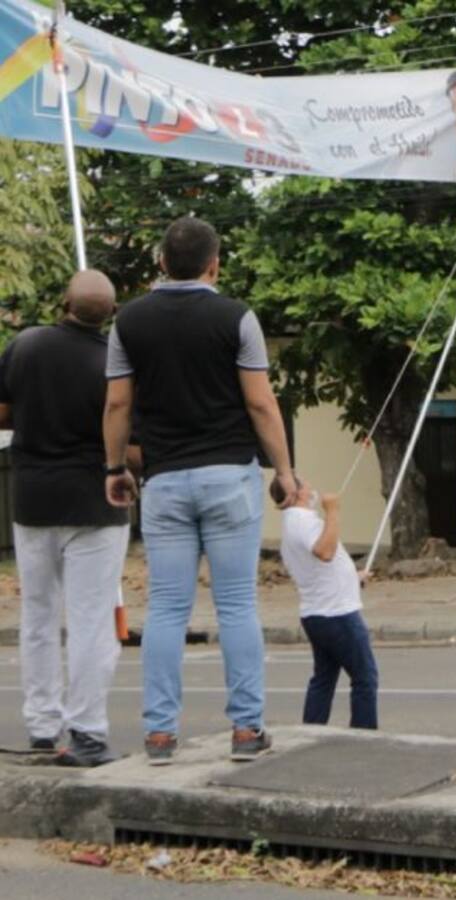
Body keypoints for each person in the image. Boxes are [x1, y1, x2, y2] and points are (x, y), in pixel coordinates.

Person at [103, 216, 297, 766]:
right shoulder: (237, 318)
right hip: (231, 477)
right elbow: (261, 403)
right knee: (236, 605)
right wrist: (283, 470)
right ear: (215, 264)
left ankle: (161, 735)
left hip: (164, 480)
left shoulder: (129, 323)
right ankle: (246, 730)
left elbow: (117, 405)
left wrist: (115, 467)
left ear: (161, 263)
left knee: (166, 608)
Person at [0, 271, 129, 766]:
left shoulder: (25, 346)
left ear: (63, 304)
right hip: (96, 502)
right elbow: (124, 428)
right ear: (110, 314)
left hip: (33, 499)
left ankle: (42, 725)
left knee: (37, 616)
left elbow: (3, 409)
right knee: (91, 622)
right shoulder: (112, 362)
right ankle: (88, 731)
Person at [273, 480, 378, 730]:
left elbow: (318, 565)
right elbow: (325, 552)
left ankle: (311, 731)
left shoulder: (292, 522)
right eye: (305, 485)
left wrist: (353, 577)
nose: (312, 489)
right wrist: (332, 511)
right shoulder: (303, 520)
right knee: (365, 678)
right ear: (295, 493)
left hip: (317, 612)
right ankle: (365, 738)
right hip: (337, 614)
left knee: (324, 679)